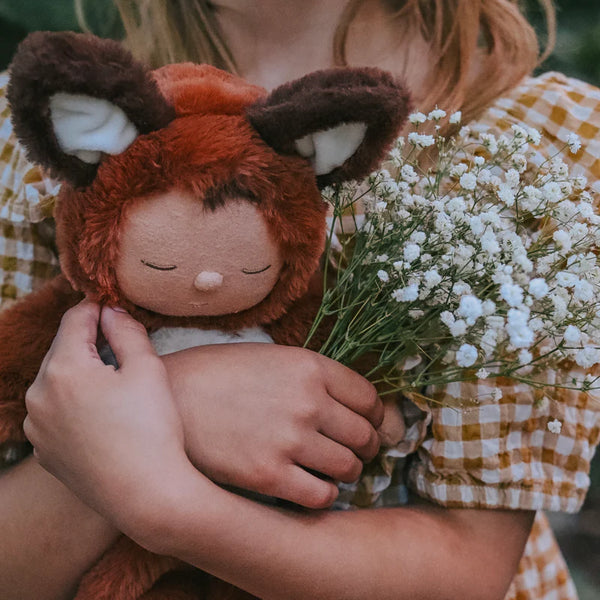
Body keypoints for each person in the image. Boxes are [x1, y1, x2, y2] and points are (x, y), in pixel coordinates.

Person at [1, 1, 598, 598]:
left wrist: (172, 511)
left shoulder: (546, 145)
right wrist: (172, 406)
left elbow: (470, 568)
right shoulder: (30, 130)